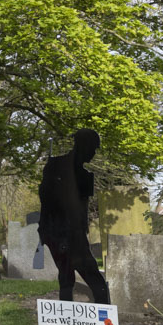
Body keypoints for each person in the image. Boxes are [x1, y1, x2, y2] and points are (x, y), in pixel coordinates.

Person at [37, 128, 110, 303]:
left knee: (77, 277)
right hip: (58, 231)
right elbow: (46, 199)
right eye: (92, 148)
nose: (93, 153)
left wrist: (80, 233)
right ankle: (91, 319)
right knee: (77, 277)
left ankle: (94, 318)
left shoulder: (85, 176)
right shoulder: (55, 166)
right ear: (83, 146)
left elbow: (82, 209)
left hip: (73, 234)